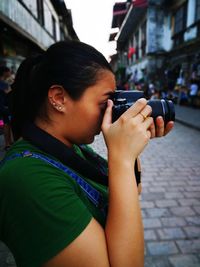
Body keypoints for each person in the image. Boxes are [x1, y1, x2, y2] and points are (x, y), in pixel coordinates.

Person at [0, 40, 174, 267]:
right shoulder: (26, 179)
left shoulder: (74, 147)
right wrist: (121, 158)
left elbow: (131, 190)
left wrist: (131, 148)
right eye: (104, 103)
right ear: (59, 98)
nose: (108, 114)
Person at [0, 66, 13, 150]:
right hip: (4, 106)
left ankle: (8, 142)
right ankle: (8, 143)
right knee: (7, 123)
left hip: (2, 106)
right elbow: (9, 92)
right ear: (5, 72)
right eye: (9, 71)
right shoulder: (3, 83)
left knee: (6, 122)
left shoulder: (3, 82)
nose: (10, 73)